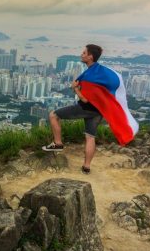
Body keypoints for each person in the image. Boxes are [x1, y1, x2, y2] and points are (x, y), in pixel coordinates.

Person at [42, 44, 104, 174]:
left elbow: (85, 99)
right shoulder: (99, 71)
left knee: (53, 115)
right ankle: (86, 167)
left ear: (90, 57)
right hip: (99, 110)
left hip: (86, 108)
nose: (81, 54)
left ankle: (57, 143)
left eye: (84, 53)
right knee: (90, 137)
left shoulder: (89, 75)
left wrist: (75, 89)